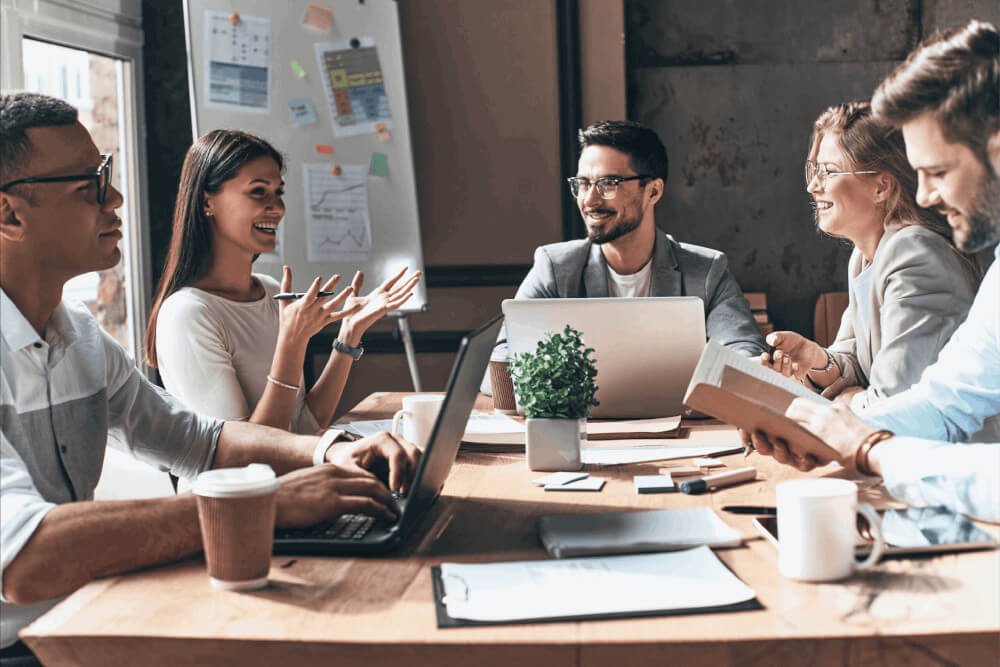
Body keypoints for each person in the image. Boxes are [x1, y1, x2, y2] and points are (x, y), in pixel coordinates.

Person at [0, 92, 418, 659]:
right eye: (89, 185)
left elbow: (201, 440)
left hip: (84, 616)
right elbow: (26, 560)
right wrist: (263, 507)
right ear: (8, 214)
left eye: (108, 177)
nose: (116, 198)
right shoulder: (180, 312)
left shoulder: (77, 334)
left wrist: (330, 450)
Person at [746, 20, 1000, 523]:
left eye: (940, 171)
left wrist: (869, 444)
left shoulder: (914, 251)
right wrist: (817, 429)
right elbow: (946, 401)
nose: (924, 195)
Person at [145, 130, 419, 435]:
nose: (277, 208)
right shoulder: (187, 314)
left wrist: (349, 335)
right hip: (244, 483)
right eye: (259, 192)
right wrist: (291, 343)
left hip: (297, 479)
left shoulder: (272, 291)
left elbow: (304, 424)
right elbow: (244, 455)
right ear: (208, 201)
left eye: (279, 192)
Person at [484, 120, 767, 392]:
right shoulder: (555, 268)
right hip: (584, 434)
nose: (590, 200)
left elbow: (745, 354)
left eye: (608, 183)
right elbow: (498, 366)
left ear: (653, 191)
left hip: (680, 433)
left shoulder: (706, 272)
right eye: (583, 183)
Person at [762, 101, 980, 410]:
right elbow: (855, 361)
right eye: (814, 170)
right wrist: (817, 360)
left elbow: (893, 402)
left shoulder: (915, 255)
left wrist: (848, 398)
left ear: (881, 187)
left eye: (829, 172)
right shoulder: (866, 257)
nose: (813, 186)